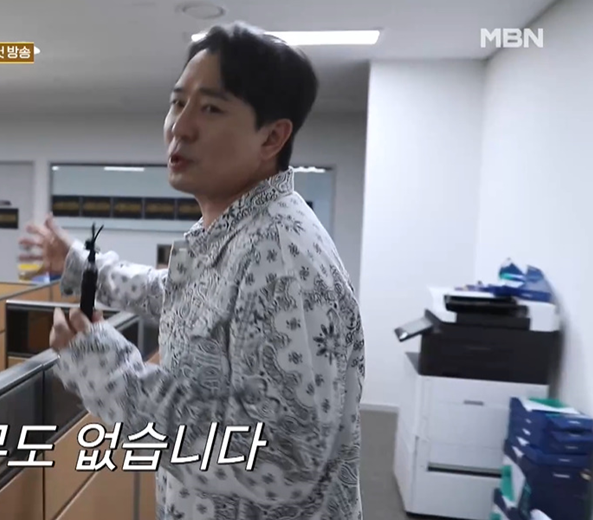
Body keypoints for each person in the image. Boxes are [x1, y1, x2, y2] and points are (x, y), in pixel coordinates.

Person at [19, 21, 365, 520]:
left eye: (211, 108)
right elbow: (188, 295)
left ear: (272, 137)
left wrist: (107, 371)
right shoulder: (242, 229)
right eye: (178, 102)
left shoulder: (280, 253)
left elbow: (279, 460)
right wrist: (80, 264)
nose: (179, 127)